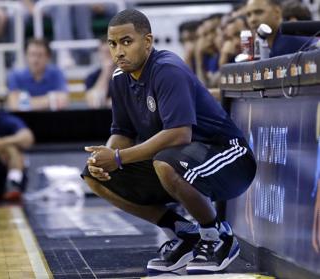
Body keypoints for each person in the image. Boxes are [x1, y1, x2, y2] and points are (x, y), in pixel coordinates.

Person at [82, 9, 256, 274]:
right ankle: (183, 232)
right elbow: (123, 132)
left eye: (127, 42)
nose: (118, 51)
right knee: (94, 176)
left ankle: (216, 236)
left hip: (230, 158)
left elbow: (179, 134)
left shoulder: (167, 70)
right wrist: (104, 157)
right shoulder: (119, 79)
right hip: (179, 162)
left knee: (165, 162)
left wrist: (117, 158)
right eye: (112, 43)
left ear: (148, 42)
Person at [0, 85, 34, 203]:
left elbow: (27, 137)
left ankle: (13, 183)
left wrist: (2, 142)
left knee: (12, 148)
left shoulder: (5, 120)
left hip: (5, 169)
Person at [7, 38, 69, 111]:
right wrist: (50, 99)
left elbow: (62, 102)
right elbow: (14, 104)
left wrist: (25, 102)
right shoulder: (15, 75)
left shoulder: (57, 73)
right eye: (32, 54)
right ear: (26, 56)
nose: (35, 60)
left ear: (48, 57)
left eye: (40, 55)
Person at [246, 0, 315, 57]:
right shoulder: (253, 48)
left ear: (277, 12)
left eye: (258, 12)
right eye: (248, 15)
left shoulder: (298, 41)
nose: (252, 19)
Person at [85, 38, 114, 109]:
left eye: (109, 52)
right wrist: (106, 72)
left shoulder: (127, 75)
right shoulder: (92, 76)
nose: (107, 56)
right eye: (103, 52)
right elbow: (93, 101)